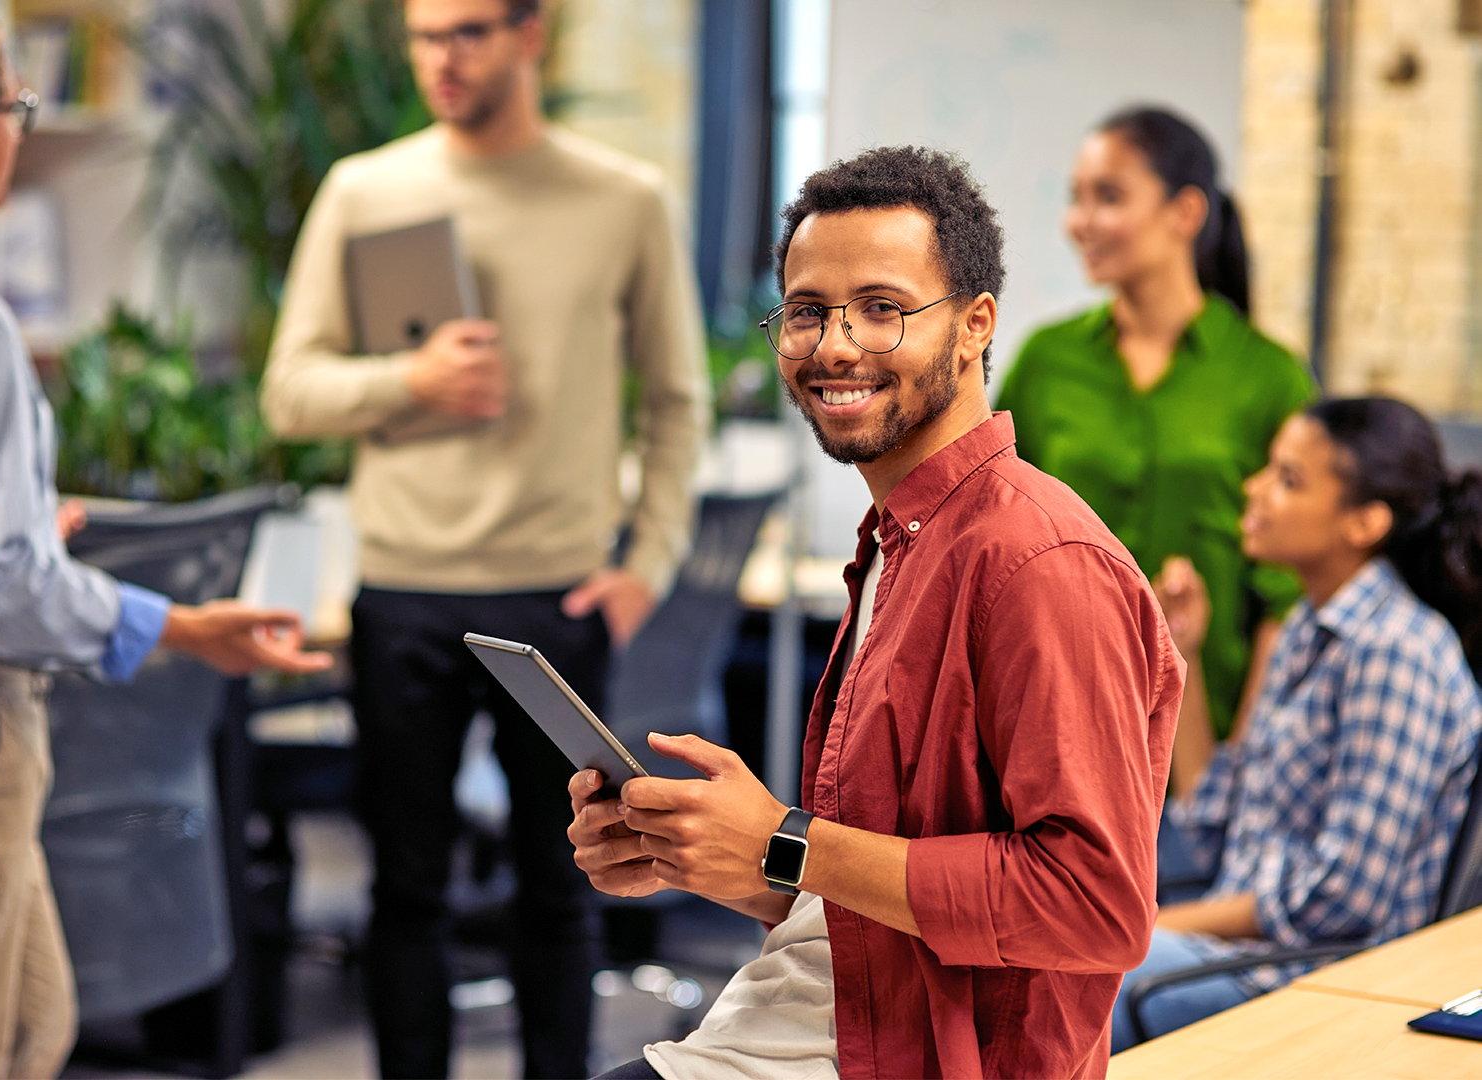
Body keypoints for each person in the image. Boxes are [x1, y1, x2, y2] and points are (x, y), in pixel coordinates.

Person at [568, 145, 1184, 1079]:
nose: (836, 345)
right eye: (808, 312)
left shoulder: (1041, 563)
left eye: (883, 310)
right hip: (808, 1027)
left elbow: (1093, 906)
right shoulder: (898, 544)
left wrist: (786, 838)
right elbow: (858, 901)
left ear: (976, 326)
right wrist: (709, 854)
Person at [0, 7, 332, 1078]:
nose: (21, 130)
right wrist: (177, 622)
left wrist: (10, 511)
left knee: (29, 1027)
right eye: (15, 110)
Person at [259, 0, 707, 1073]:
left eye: (465, 32)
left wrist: (645, 568)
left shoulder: (623, 199)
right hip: (403, 593)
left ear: (528, 34)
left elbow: (678, 402)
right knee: (405, 891)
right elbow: (289, 393)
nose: (438, 59)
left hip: (555, 597)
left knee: (564, 888)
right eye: (423, 35)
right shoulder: (366, 191)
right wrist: (412, 380)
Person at [1112, 397, 1482, 1049]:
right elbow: (1212, 817)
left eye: (1288, 478)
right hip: (1241, 953)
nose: (1254, 488)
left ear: (1364, 522)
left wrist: (1153, 925)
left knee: (1073, 974)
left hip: (1306, 978)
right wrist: (1184, 651)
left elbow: (1343, 896)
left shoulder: (1392, 652)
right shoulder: (1310, 630)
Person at [997, 106, 1315, 742]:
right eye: (1076, 198)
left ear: (1186, 213)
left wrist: (1238, 769)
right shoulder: (1046, 362)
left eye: (1108, 197)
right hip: (1048, 728)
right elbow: (988, 531)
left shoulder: (1269, 376)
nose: (1080, 222)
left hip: (1199, 745)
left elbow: (1290, 593)